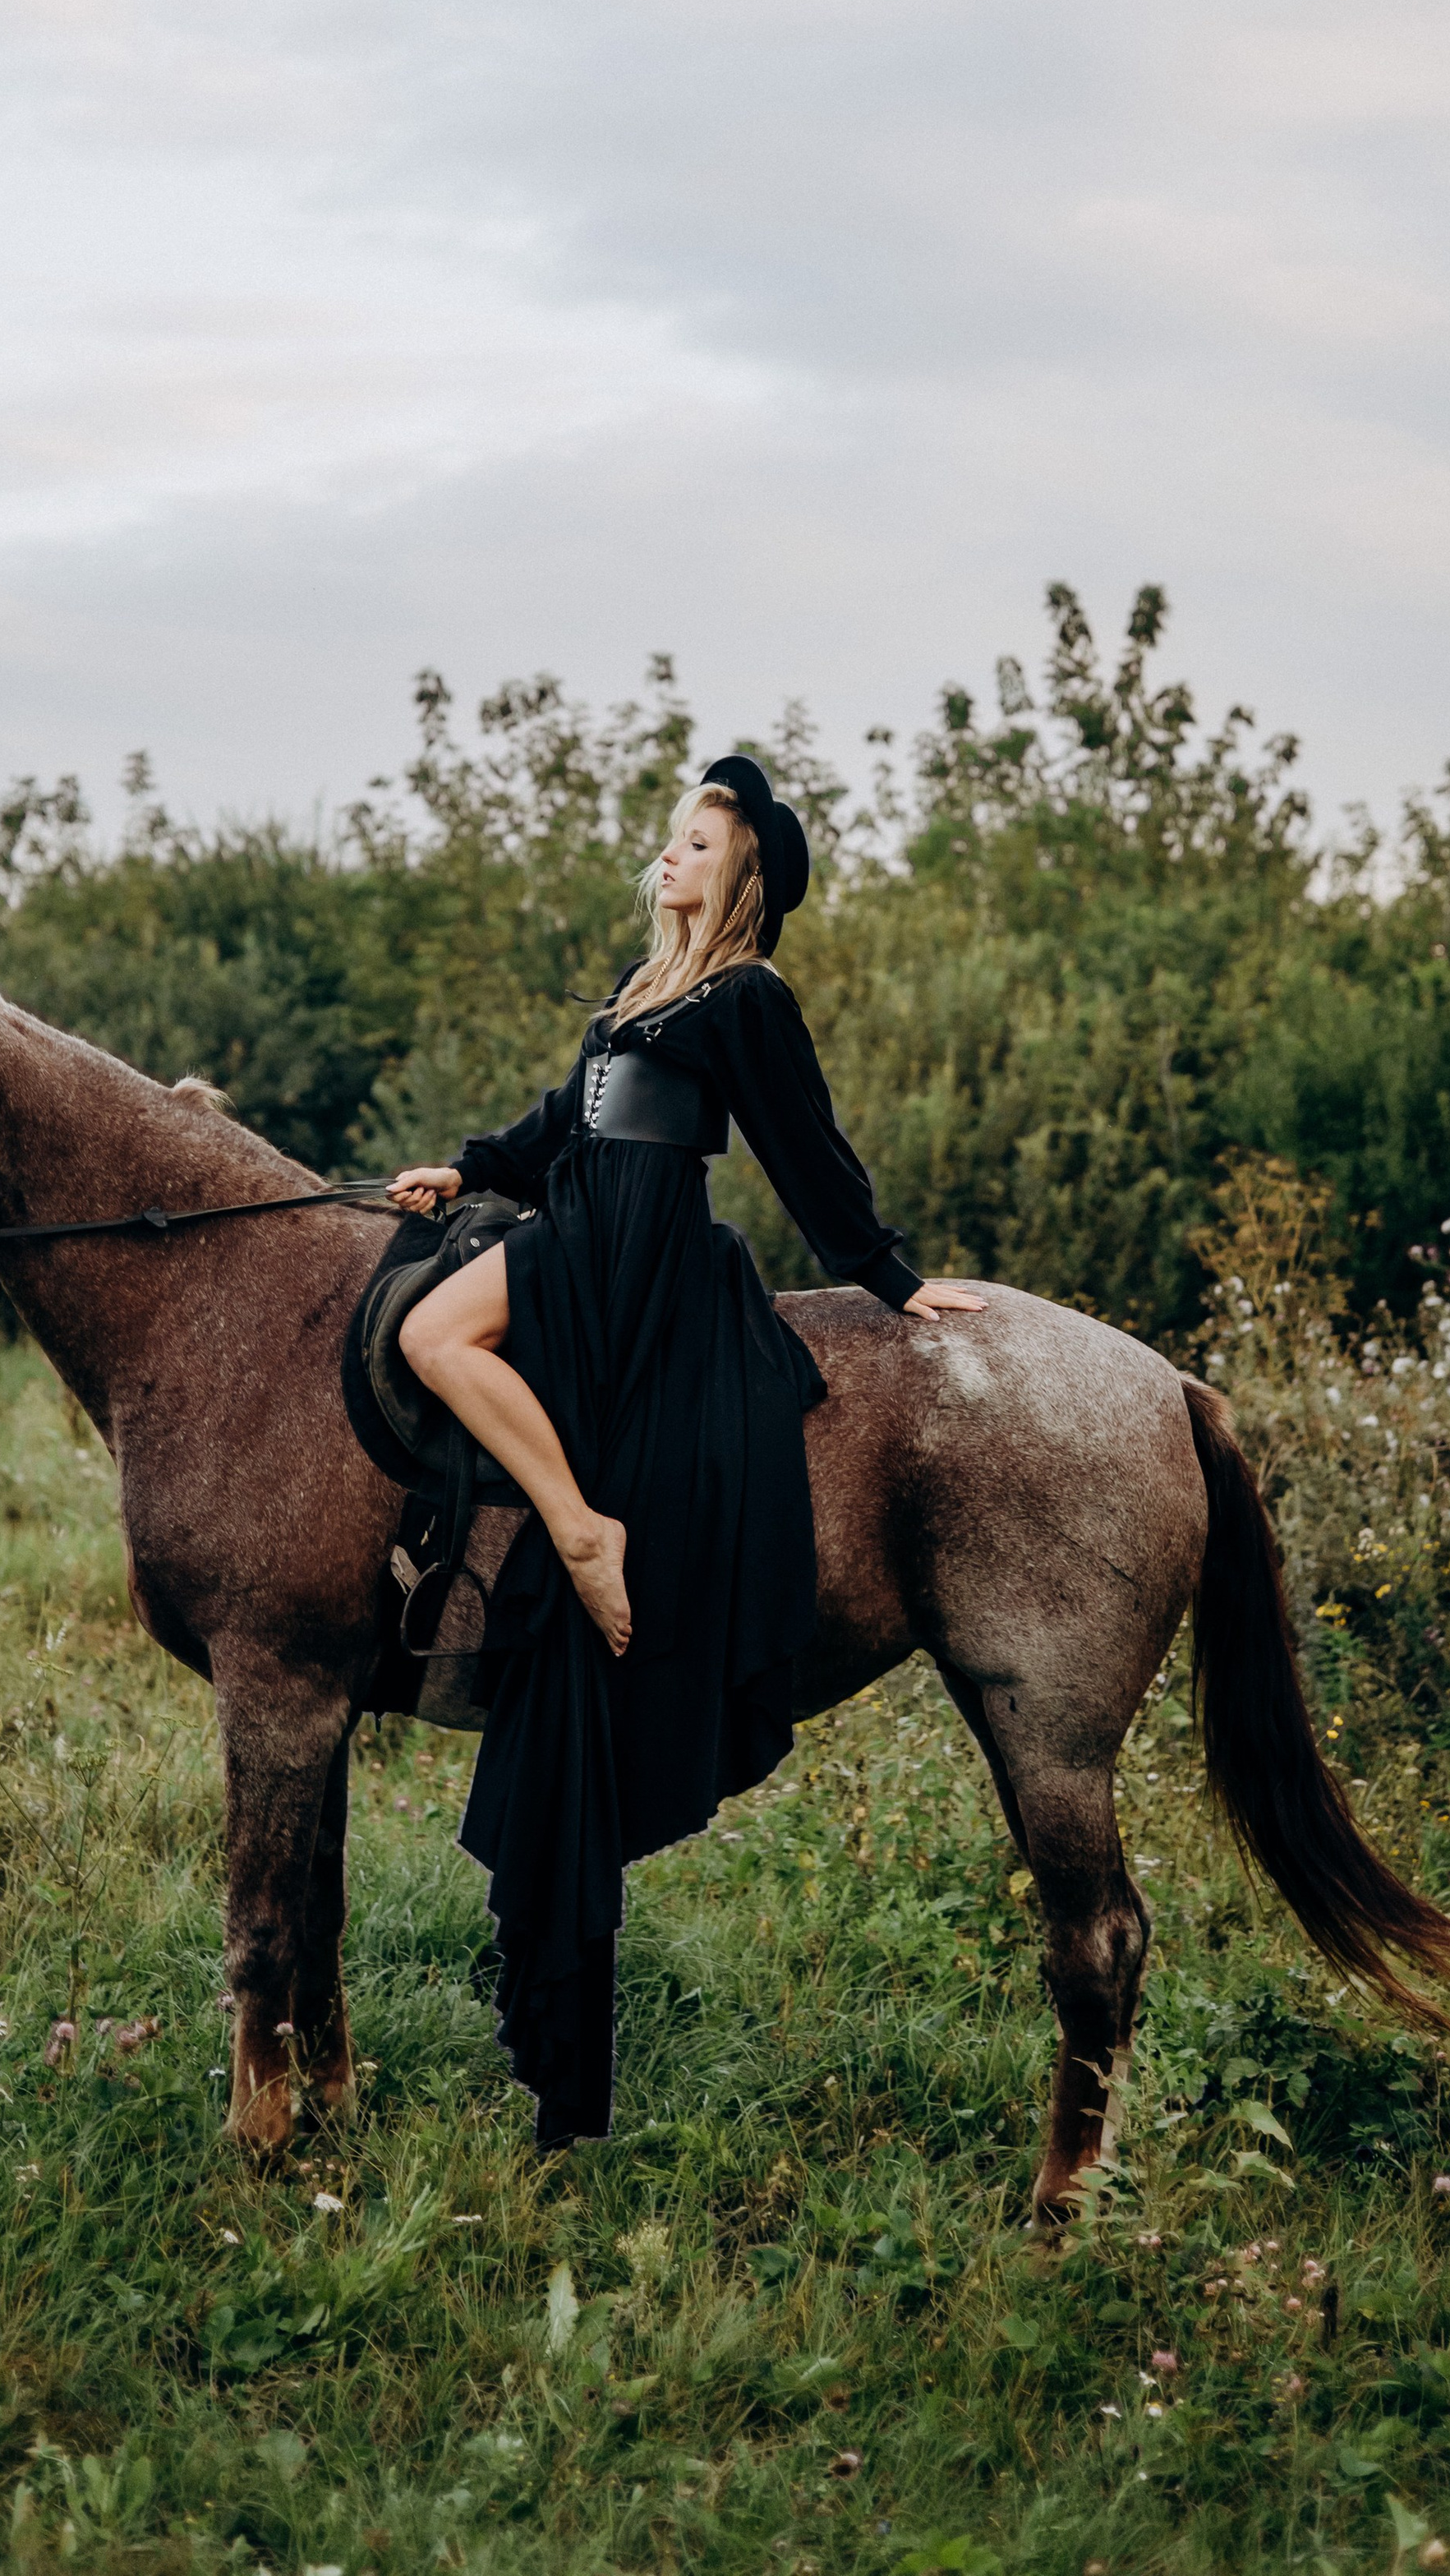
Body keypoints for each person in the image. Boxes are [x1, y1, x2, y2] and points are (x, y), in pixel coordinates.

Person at [389, 754, 983, 2147]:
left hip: (638, 1268)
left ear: (745, 875)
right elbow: (562, 1128)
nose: (668, 859)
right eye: (669, 840)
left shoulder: (744, 997)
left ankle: (580, 1526)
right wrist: (467, 1170)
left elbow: (803, 1145)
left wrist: (889, 1282)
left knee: (430, 1338)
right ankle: (571, 1520)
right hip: (582, 1241)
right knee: (431, 1332)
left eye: (696, 844)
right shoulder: (640, 994)